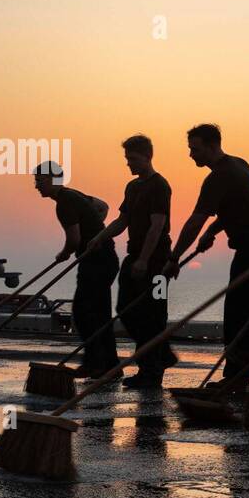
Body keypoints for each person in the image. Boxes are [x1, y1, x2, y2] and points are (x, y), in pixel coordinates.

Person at [164, 124, 249, 386]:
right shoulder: (238, 164)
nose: (191, 155)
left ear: (211, 145)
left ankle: (240, 376)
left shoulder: (218, 176)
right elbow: (243, 204)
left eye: (195, 149)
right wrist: (214, 229)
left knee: (239, 310)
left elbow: (195, 221)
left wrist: (174, 258)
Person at [83, 135, 179, 388]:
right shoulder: (133, 187)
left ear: (147, 157)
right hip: (134, 255)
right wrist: (98, 238)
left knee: (155, 313)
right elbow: (122, 220)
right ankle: (162, 355)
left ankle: (151, 371)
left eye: (133, 159)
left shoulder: (160, 185)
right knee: (126, 308)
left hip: (158, 262)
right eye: (127, 160)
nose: (129, 164)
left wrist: (145, 260)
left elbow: (157, 226)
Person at [32, 162, 119, 376]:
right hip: (105, 258)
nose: (36, 186)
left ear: (53, 180)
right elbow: (102, 206)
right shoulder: (74, 195)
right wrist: (94, 230)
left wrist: (65, 252)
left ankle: (94, 363)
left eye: (40, 181)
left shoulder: (64, 202)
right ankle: (110, 365)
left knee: (82, 313)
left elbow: (74, 238)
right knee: (100, 314)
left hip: (96, 261)